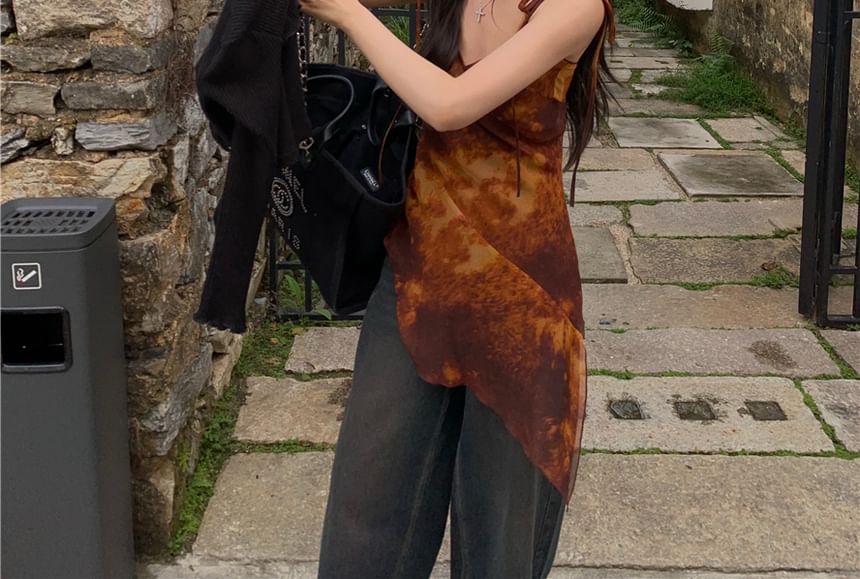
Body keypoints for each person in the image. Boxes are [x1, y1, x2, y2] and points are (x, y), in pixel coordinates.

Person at [296, 0, 615, 576]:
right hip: (419, 271)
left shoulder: (577, 6)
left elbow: (448, 106)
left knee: (499, 528)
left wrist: (349, 14)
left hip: (521, 298)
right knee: (367, 499)